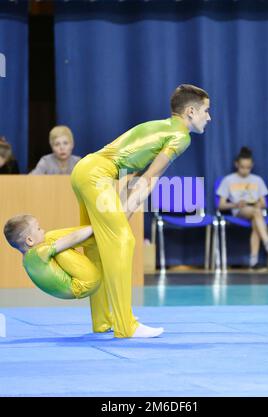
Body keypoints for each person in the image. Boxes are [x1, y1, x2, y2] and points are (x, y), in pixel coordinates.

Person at [70, 83, 211, 338]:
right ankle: (126, 326)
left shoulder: (159, 126)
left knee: (97, 247)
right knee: (122, 241)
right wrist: (123, 217)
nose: (209, 117)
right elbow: (149, 178)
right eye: (206, 111)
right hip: (97, 175)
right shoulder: (181, 137)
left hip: (83, 169)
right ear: (191, 111)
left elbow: (134, 173)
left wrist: (124, 211)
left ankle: (102, 321)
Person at [3, 214, 102, 300]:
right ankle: (99, 233)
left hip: (81, 288)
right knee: (50, 237)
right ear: (30, 240)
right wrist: (95, 227)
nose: (42, 230)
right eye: (38, 229)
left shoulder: (26, 260)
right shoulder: (39, 253)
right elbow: (72, 238)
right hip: (86, 281)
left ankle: (95, 237)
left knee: (50, 242)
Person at [216, 146, 268, 270]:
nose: (245, 170)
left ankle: (253, 262)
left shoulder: (257, 180)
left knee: (257, 219)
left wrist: (257, 203)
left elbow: (264, 204)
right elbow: (221, 205)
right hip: (239, 209)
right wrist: (235, 204)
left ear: (252, 166)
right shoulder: (228, 180)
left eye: (248, 168)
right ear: (236, 165)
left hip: (255, 211)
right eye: (242, 167)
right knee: (257, 214)